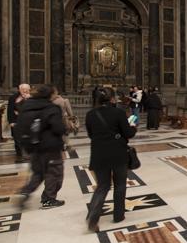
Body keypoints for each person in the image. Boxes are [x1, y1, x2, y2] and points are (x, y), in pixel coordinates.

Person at [85, 87, 137, 231]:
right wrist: (133, 127)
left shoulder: (90, 114)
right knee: (120, 184)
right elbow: (128, 133)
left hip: (98, 154)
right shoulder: (118, 113)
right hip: (118, 153)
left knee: (102, 186)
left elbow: (90, 134)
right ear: (112, 98)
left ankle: (93, 217)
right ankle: (118, 215)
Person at [14, 85, 67, 209]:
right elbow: (58, 128)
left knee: (38, 172)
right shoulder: (52, 108)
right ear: (49, 95)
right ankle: (49, 199)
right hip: (50, 146)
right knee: (54, 173)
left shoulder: (25, 107)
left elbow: (19, 127)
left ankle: (26, 191)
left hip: (33, 146)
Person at [6, 83, 31, 159]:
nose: (26, 91)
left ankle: (28, 153)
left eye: (27, 90)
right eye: (24, 90)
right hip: (16, 121)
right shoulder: (13, 98)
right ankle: (20, 154)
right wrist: (11, 121)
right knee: (17, 139)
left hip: (28, 121)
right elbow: (10, 111)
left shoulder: (32, 98)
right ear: (20, 90)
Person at [51, 87, 75, 154]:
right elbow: (70, 112)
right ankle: (66, 146)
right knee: (65, 133)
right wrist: (71, 117)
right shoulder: (65, 100)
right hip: (64, 119)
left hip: (53, 120)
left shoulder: (50, 101)